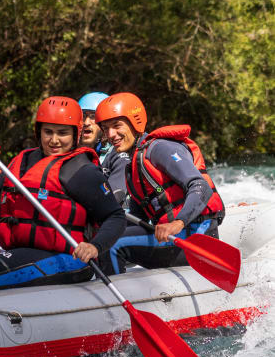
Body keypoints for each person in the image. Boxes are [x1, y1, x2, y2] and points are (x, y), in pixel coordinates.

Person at [0, 97, 126, 293]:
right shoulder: (23, 160)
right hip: (19, 251)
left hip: (67, 259)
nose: (54, 140)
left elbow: (115, 216)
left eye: (62, 133)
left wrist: (95, 247)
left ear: (75, 134)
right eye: (48, 132)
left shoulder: (82, 171)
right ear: (39, 132)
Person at [94, 92, 225, 274]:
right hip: (174, 237)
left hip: (197, 238)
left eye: (117, 126)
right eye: (106, 129)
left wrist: (177, 223)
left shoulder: (160, 149)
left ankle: (113, 300)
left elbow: (200, 187)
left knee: (112, 245)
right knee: (105, 240)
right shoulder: (133, 167)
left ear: (135, 122)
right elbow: (136, 219)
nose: (111, 134)